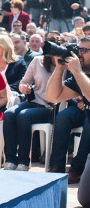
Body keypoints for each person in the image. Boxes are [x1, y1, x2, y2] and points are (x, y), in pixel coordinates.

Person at [45, 36, 90, 200]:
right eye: (79, 49)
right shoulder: (81, 76)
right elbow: (53, 96)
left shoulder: (80, 74)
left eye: (85, 50)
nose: (79, 54)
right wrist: (59, 69)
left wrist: (77, 71)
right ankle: (57, 166)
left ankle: (77, 169)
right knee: (85, 199)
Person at [3, 46, 59, 171]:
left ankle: (23, 161)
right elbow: (23, 82)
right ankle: (10, 159)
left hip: (50, 107)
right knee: (9, 114)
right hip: (33, 100)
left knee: (24, 116)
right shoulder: (37, 61)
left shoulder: (64, 65)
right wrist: (25, 88)